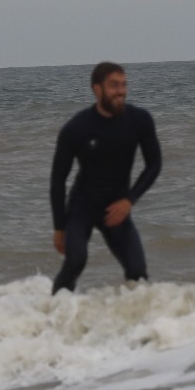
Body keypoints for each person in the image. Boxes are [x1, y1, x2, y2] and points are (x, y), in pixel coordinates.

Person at [49, 62, 162, 293]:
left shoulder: (139, 120)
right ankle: (54, 309)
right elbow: (57, 180)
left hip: (116, 207)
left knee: (138, 273)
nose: (121, 91)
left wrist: (129, 201)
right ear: (97, 89)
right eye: (114, 85)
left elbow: (154, 164)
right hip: (83, 207)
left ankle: (134, 314)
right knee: (76, 260)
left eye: (123, 85)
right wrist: (59, 228)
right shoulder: (76, 128)